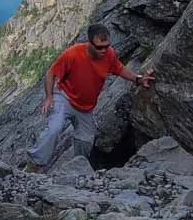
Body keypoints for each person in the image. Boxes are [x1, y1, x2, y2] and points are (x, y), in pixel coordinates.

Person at [25, 23, 155, 170]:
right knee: (54, 128)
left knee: (86, 139)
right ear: (89, 43)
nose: (104, 50)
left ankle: (76, 168)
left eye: (107, 46)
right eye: (100, 47)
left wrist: (138, 79)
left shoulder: (109, 54)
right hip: (64, 97)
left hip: (85, 107)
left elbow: (119, 69)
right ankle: (34, 165)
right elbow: (51, 73)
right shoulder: (72, 54)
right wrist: (49, 97)